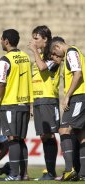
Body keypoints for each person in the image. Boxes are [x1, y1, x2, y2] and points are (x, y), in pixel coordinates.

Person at [0, 29, 33, 181]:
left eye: (1, 39)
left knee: (12, 138)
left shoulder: (5, 60)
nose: (1, 42)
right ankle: (23, 174)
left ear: (6, 41)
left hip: (10, 103)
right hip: (24, 103)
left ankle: (14, 174)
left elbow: (1, 83)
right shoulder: (25, 57)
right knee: (20, 139)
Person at [50, 36, 85, 181]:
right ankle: (82, 173)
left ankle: (69, 169)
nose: (53, 57)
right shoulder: (75, 52)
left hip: (78, 96)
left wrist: (67, 95)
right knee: (81, 135)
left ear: (58, 47)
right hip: (80, 96)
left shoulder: (71, 52)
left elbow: (78, 74)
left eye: (53, 53)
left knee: (64, 129)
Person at [28, 25, 60, 180]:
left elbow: (42, 68)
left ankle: (52, 172)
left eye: (36, 38)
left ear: (45, 39)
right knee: (43, 136)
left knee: (49, 135)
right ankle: (49, 171)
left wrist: (34, 50)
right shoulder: (39, 55)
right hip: (39, 100)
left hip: (48, 99)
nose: (34, 41)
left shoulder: (53, 55)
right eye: (33, 38)